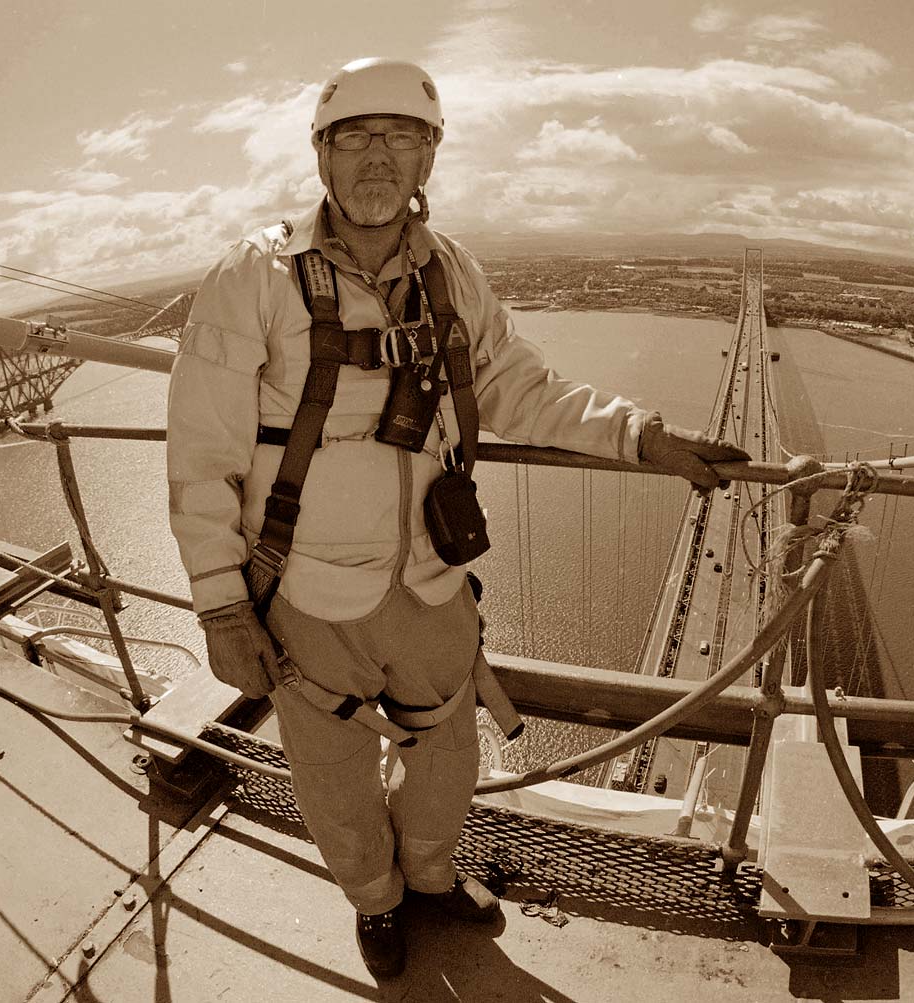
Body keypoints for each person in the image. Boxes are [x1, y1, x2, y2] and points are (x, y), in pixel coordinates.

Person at [165, 56, 749, 979]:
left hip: (432, 577)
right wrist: (222, 606)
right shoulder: (254, 278)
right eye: (354, 138)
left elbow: (523, 387)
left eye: (401, 138)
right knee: (331, 772)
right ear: (319, 156)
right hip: (308, 589)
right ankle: (376, 899)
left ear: (430, 157)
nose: (376, 160)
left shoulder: (453, 276)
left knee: (444, 754)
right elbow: (202, 458)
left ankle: (430, 876)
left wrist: (642, 438)